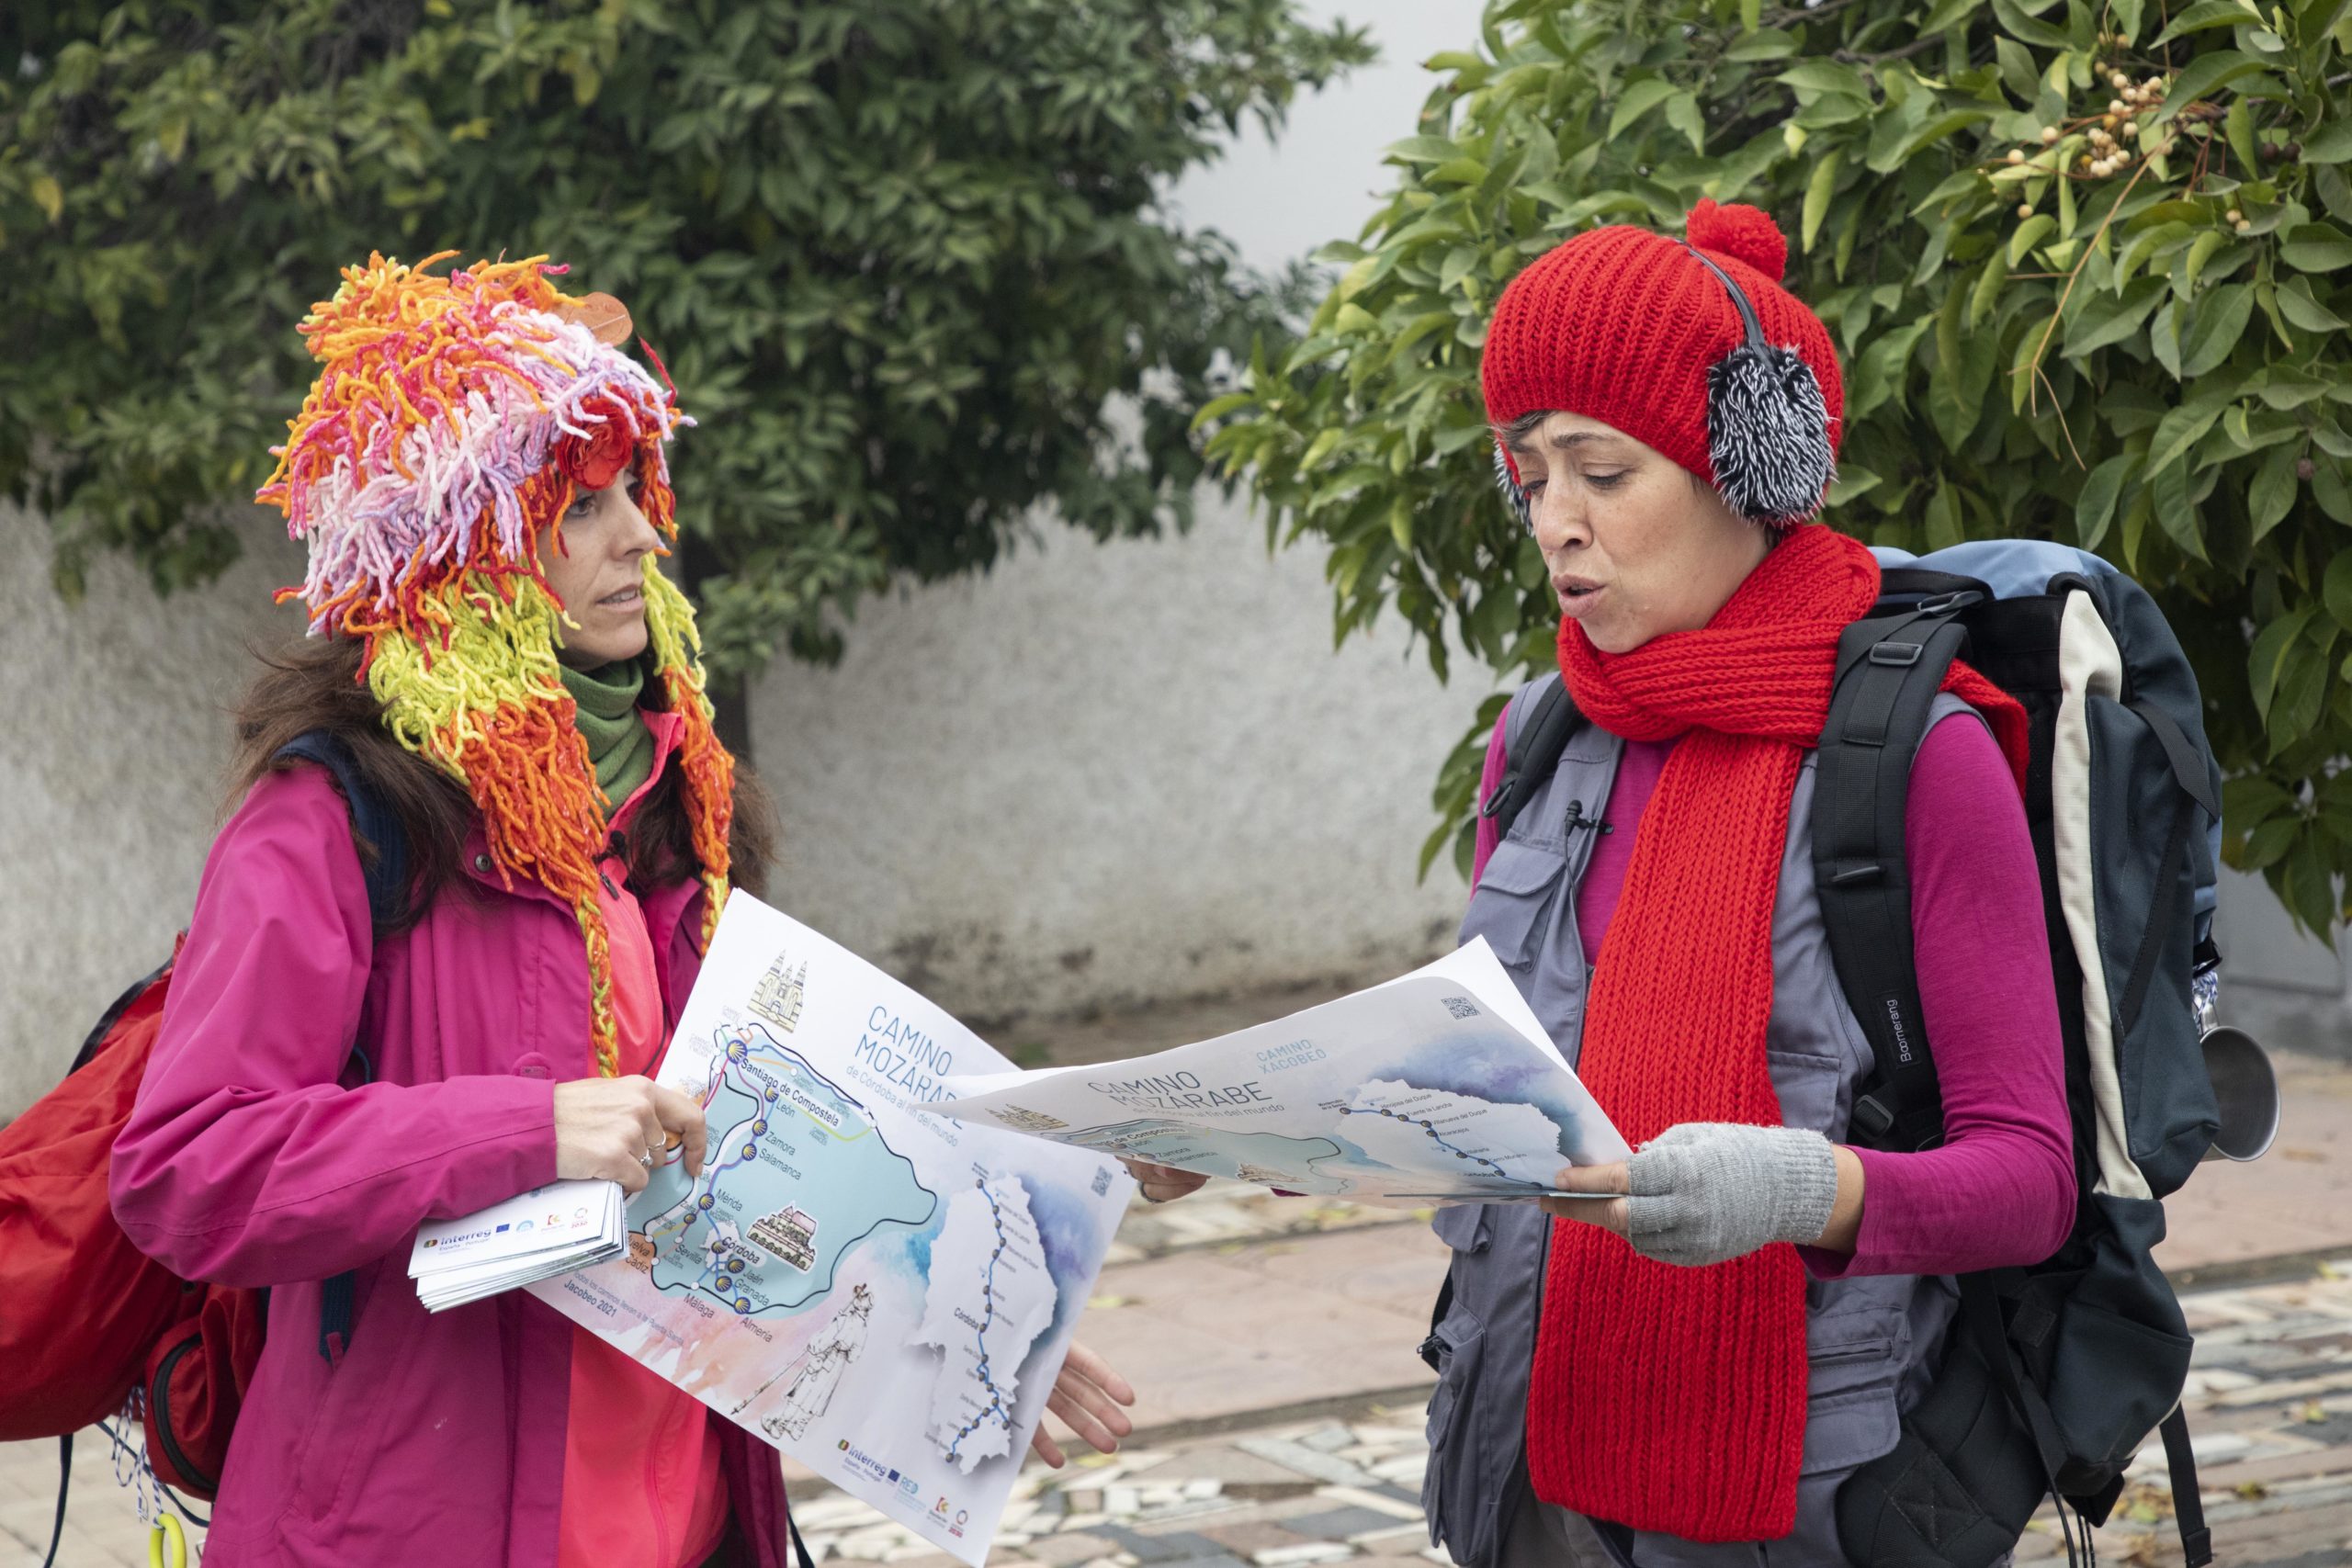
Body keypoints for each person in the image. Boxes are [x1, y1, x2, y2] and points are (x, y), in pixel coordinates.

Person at [108, 253, 1134, 1568]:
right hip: (409, 1527)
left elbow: (754, 1160)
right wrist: (521, 1129)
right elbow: (188, 1169)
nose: (641, 539)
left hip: (686, 1513)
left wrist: (967, 1338)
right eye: (581, 507)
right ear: (458, 539)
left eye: (635, 496)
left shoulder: (674, 802)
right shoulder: (329, 822)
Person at [1130, 201, 2077, 1566]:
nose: (1555, 525)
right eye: (1527, 475)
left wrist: (1803, 1193)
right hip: (1523, 1463)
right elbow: (1491, 1098)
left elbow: (2029, 1180)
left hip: (1807, 1497)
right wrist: (1257, 1128)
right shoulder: (1542, 737)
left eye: (1602, 471)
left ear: (1742, 468)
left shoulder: (1917, 757)